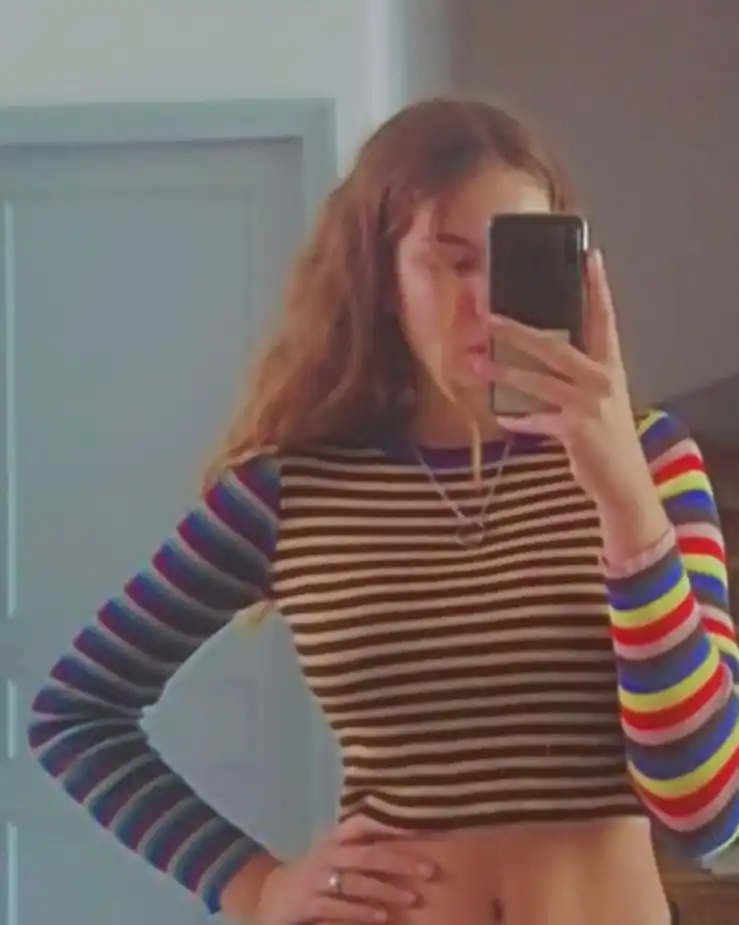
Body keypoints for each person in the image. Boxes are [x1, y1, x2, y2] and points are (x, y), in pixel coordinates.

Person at [27, 97, 739, 925]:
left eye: (516, 262)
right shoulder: (289, 489)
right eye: (451, 261)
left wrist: (622, 500)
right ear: (383, 280)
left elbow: (706, 810)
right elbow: (73, 713)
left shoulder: (650, 461)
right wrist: (257, 886)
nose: (488, 301)